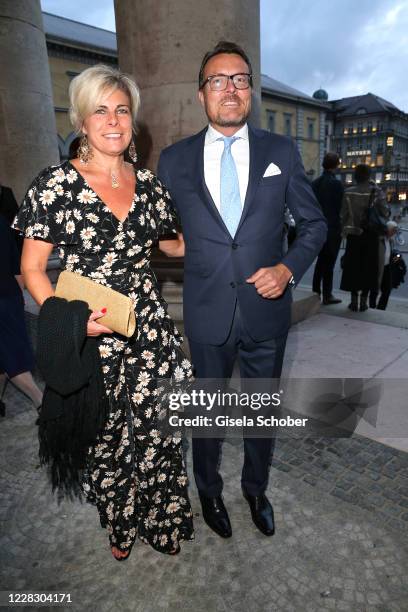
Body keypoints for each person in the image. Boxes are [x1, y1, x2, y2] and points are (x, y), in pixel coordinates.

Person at [13, 64, 194, 560]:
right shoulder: (55, 185)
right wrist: (67, 319)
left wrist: (217, 233)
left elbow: (173, 245)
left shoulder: (151, 185)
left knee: (161, 428)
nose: (113, 120)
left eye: (122, 110)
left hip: (150, 329)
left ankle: (162, 517)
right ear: (80, 119)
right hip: (91, 333)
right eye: (101, 110)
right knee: (107, 437)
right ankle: (120, 520)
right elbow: (31, 269)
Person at [158, 41, 327, 539]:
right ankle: (208, 491)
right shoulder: (173, 160)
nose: (229, 89)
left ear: (251, 91)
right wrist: (167, 245)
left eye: (239, 80)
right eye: (218, 80)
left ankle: (256, 489)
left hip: (266, 312)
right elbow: (157, 228)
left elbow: (314, 225)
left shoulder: (281, 151)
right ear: (201, 94)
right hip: (208, 313)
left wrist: (288, 269)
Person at [0, 215, 43, 413]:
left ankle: (42, 403)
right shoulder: (1, 220)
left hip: (7, 297)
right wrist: (19, 295)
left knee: (11, 358)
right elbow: (14, 262)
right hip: (10, 295)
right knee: (9, 354)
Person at [340, 164, 389, 312]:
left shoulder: (348, 192)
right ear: (369, 176)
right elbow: (385, 213)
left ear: (355, 176)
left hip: (354, 235)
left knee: (353, 268)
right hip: (371, 235)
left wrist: (343, 232)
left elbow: (343, 215)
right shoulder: (376, 192)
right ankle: (364, 302)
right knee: (369, 268)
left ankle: (354, 301)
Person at [312, 152, 344, 304]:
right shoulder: (337, 184)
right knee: (329, 263)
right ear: (336, 165)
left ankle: (315, 292)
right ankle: (327, 294)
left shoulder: (316, 183)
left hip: (317, 228)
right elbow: (341, 208)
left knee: (320, 261)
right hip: (332, 228)